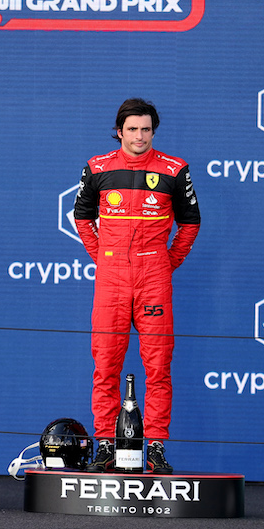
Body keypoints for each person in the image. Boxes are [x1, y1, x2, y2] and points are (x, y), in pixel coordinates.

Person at [73, 98, 200, 474]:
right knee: (105, 366)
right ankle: (106, 446)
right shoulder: (98, 167)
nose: (139, 136)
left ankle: (156, 446)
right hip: (111, 278)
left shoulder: (174, 169)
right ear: (119, 131)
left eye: (146, 129)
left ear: (153, 132)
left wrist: (166, 261)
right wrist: (104, 257)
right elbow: (82, 216)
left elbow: (191, 223)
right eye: (132, 129)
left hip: (153, 277)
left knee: (158, 366)